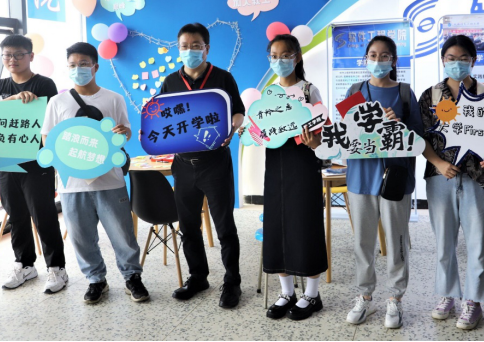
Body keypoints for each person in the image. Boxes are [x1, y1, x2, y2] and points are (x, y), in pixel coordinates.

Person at [42, 42, 149, 305]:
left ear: (95, 67)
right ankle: (95, 280)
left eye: (83, 64)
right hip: (72, 183)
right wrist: (64, 159)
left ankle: (132, 277)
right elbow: (47, 137)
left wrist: (123, 133)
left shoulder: (113, 98)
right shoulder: (57, 102)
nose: (78, 69)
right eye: (72, 65)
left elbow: (125, 132)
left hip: (110, 179)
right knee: (81, 236)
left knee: (122, 234)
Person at [239, 35, 328, 321]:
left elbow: (323, 136)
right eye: (274, 56)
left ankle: (312, 295)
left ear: (297, 57)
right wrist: (248, 133)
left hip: (304, 166)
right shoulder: (268, 94)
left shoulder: (309, 91)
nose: (280, 61)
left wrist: (313, 142)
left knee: (305, 225)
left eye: (286, 55)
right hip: (275, 167)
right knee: (276, 226)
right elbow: (258, 131)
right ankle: (286, 292)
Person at [418, 35, 484, 331]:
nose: (457, 63)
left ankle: (474, 301)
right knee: (444, 240)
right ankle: (447, 295)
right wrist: (439, 163)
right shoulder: (430, 95)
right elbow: (421, 138)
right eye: (451, 58)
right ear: (443, 61)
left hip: (478, 177)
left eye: (463, 58)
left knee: (479, 242)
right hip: (441, 177)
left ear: (473, 60)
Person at [159, 23, 244, 309]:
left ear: (206, 48)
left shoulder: (222, 78)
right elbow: (160, 116)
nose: (190, 51)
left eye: (196, 46)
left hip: (215, 163)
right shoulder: (170, 81)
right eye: (184, 46)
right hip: (183, 164)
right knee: (188, 226)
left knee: (224, 226)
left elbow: (238, 112)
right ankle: (198, 277)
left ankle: (232, 281)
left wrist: (232, 129)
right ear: (178, 49)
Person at [344, 36, 424, 330]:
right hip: (360, 178)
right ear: (366, 58)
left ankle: (395, 297)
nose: (378, 61)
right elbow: (345, 134)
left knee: (396, 239)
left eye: (385, 55)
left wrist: (398, 125)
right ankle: (365, 295)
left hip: (394, 178)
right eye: (373, 55)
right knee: (362, 241)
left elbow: (418, 138)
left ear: (393, 60)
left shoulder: (404, 93)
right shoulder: (355, 91)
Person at [0, 35, 68, 294]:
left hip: (37, 161)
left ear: (31, 56)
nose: (12, 59)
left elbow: (52, 118)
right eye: (7, 55)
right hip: (6, 160)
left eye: (18, 54)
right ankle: (24, 264)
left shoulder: (43, 84)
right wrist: (11, 100)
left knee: (43, 214)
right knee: (16, 215)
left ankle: (57, 268)